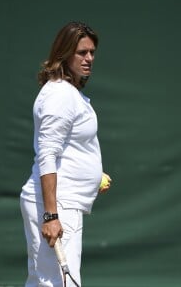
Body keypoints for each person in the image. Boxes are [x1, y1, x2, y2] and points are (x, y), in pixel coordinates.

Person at [20, 21, 111, 287]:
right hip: (57, 206)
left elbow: (69, 148)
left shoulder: (67, 93)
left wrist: (91, 175)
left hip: (62, 203)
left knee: (43, 282)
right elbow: (47, 155)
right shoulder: (60, 95)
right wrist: (51, 215)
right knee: (58, 284)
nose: (89, 59)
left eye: (92, 52)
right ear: (65, 53)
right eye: (82, 52)